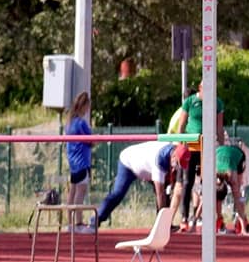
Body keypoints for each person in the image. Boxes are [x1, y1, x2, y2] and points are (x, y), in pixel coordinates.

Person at [90, 141, 190, 229]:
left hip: (146, 168)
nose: (177, 167)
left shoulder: (173, 151)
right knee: (118, 193)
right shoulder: (159, 160)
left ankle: (164, 224)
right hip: (128, 163)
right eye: (177, 163)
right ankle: (96, 219)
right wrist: (162, 222)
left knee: (166, 191)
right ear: (173, 156)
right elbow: (160, 194)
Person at [176, 82, 224, 231]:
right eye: (207, 88)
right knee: (187, 181)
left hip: (208, 146)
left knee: (208, 183)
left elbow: (219, 127)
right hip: (192, 145)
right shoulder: (190, 101)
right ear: (200, 88)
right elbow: (181, 125)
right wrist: (180, 144)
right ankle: (184, 217)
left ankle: (205, 218)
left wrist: (220, 149)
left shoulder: (217, 102)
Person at [65, 91, 92, 232]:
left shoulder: (69, 123)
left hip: (73, 163)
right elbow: (90, 141)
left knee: (73, 192)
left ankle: (70, 223)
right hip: (81, 162)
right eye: (88, 106)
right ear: (84, 106)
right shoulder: (81, 124)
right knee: (80, 192)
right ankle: (78, 223)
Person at [215, 142, 249, 234]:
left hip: (238, 155)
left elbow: (239, 198)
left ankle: (243, 223)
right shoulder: (213, 174)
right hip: (219, 152)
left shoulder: (232, 178)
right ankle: (219, 221)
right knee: (220, 196)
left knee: (239, 193)